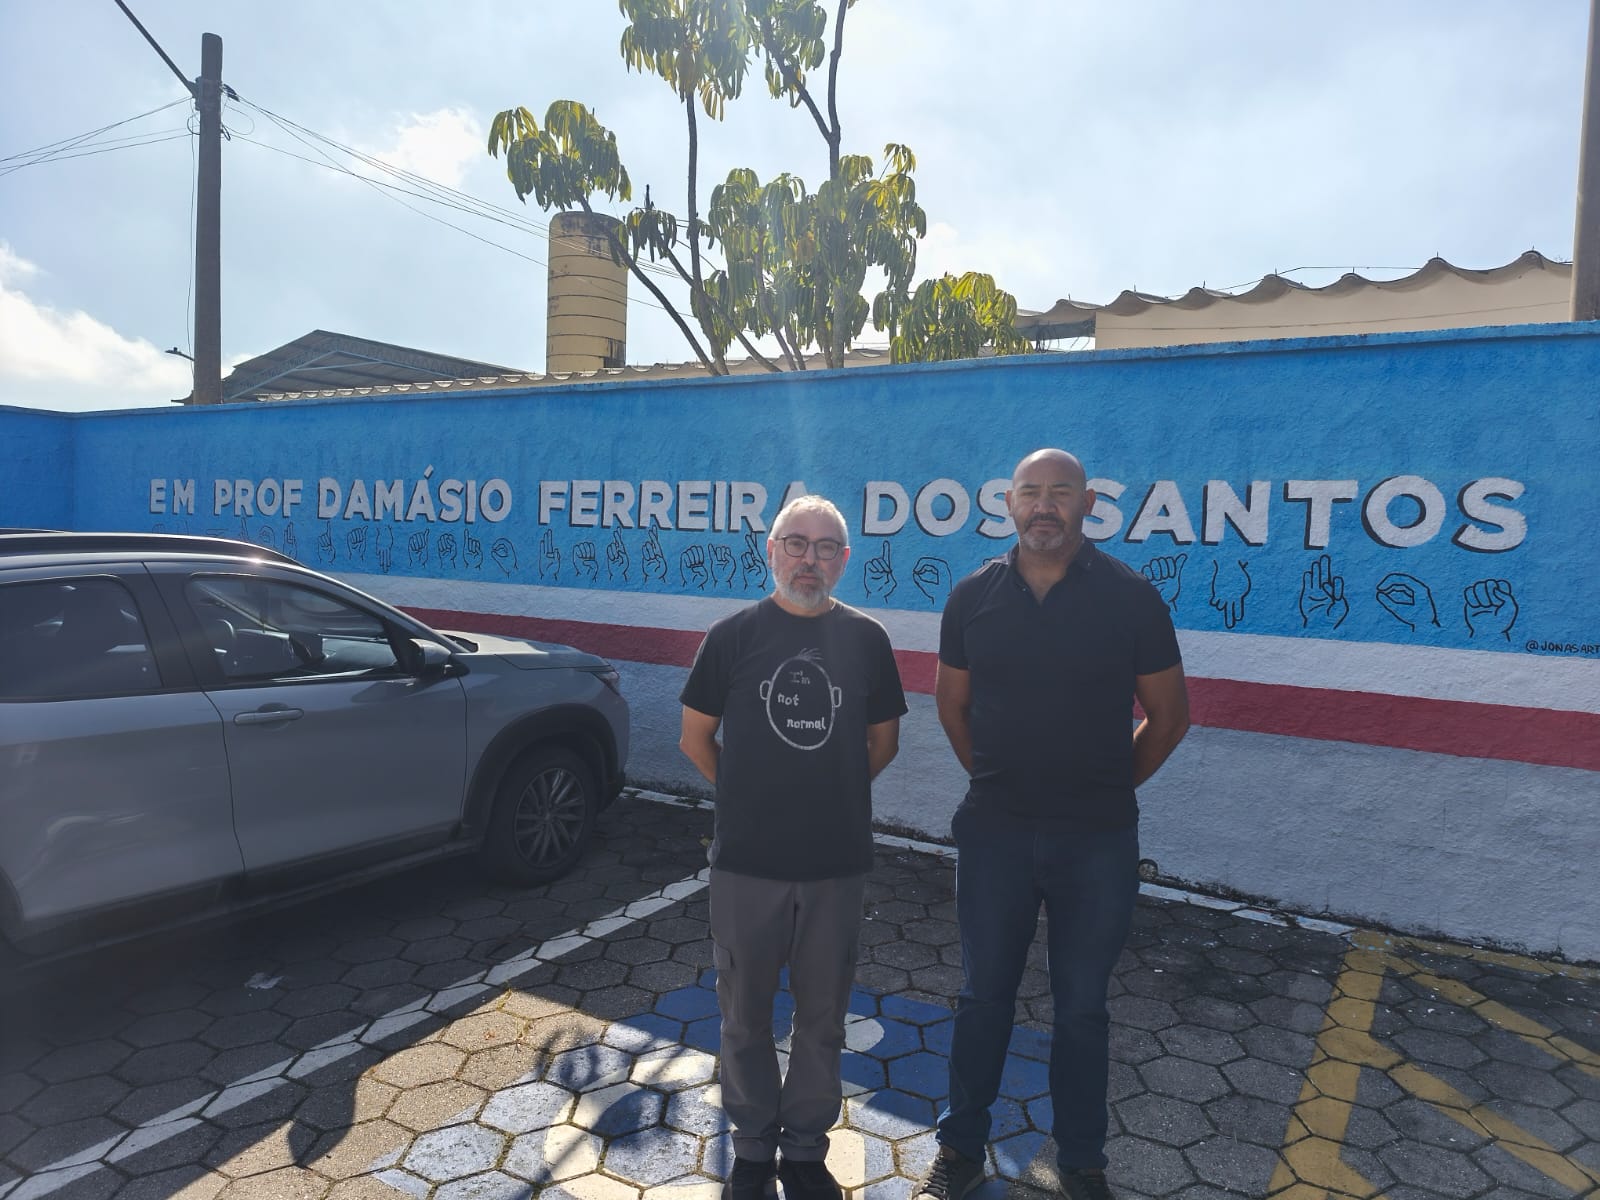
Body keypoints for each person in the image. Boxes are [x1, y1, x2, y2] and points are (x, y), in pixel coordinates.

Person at [915, 449, 1190, 1200]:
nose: (1044, 505)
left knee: (1082, 1011)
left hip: (1097, 839)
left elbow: (1169, 717)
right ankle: (960, 1150)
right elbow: (950, 703)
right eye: (1030, 492)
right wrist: (992, 779)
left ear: (1087, 503)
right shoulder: (972, 596)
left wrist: (1105, 786)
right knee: (982, 999)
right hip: (995, 833)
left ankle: (1082, 1163)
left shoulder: (1132, 598)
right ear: (1008, 503)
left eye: (1060, 492)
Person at [679, 494, 908, 1200]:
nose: (810, 559)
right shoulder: (731, 636)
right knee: (744, 1017)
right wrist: (747, 797)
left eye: (826, 547)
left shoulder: (868, 639)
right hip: (746, 864)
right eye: (797, 544)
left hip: (835, 865)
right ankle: (752, 1148)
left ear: (845, 559)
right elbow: (695, 738)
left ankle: (806, 1150)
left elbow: (884, 742)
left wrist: (830, 793)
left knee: (823, 1020)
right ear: (771, 550)